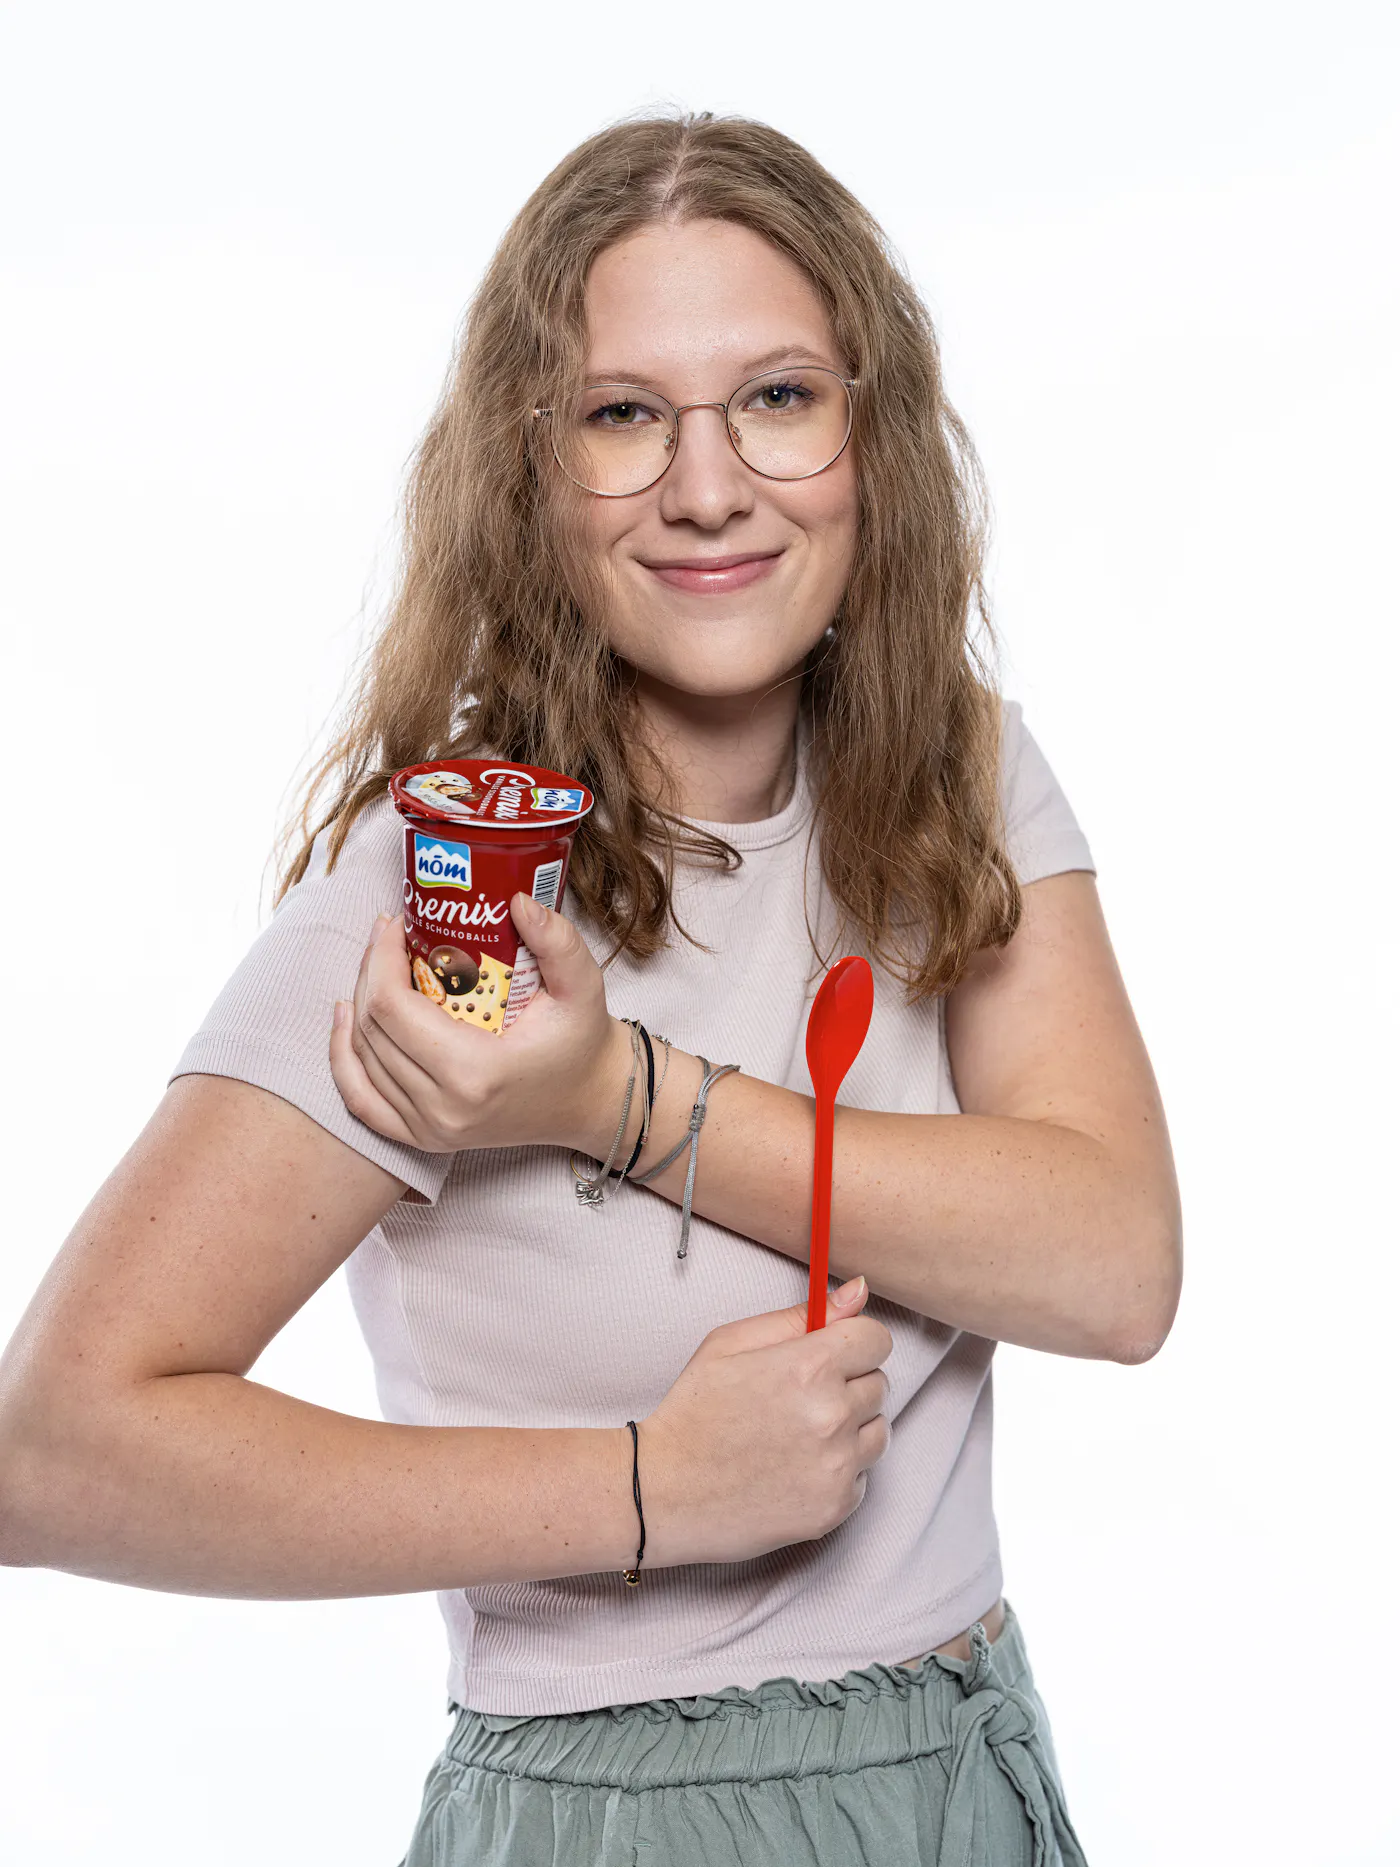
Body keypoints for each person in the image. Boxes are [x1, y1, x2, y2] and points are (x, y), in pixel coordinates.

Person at [0, 110, 1181, 1866]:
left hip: (965, 1773)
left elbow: (1114, 1266)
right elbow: (59, 1451)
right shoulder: (455, 891)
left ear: (873, 435)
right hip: (618, 1813)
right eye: (624, 416)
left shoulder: (955, 778)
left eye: (777, 397)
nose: (709, 487)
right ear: (529, 474)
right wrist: (647, 1490)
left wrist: (613, 1098)